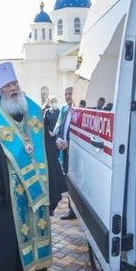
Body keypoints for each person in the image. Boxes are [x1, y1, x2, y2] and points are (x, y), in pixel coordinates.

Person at [0, 62, 65, 271]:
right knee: (5, 236)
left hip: (36, 187)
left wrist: (54, 143)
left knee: (35, 228)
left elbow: (43, 139)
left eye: (15, 84)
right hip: (7, 187)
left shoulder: (33, 108)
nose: (13, 88)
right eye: (7, 86)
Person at [55, 86, 77, 220]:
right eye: (66, 94)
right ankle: (71, 209)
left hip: (75, 153)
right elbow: (61, 129)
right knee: (69, 182)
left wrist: (70, 144)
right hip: (66, 152)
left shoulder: (78, 111)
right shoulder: (65, 110)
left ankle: (74, 210)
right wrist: (58, 139)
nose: (67, 96)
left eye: (70, 94)